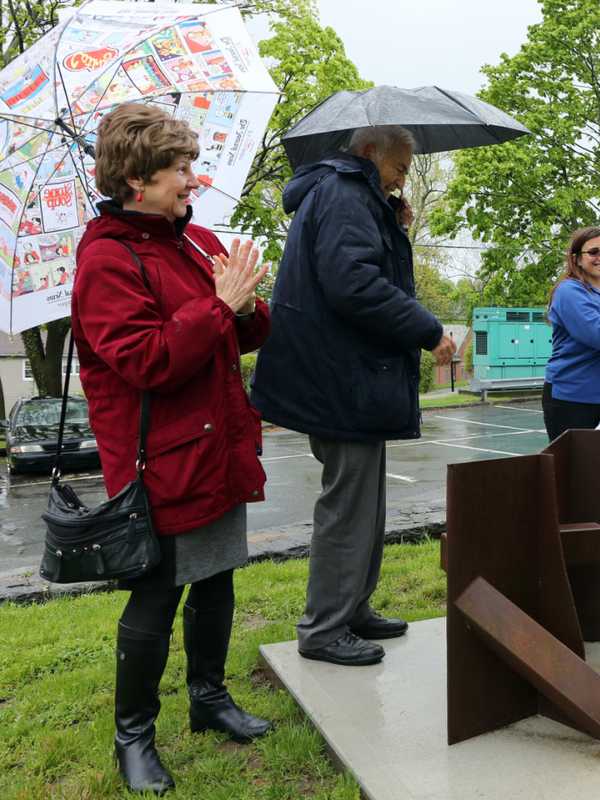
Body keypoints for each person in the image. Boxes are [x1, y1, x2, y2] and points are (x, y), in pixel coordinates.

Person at [71, 102, 272, 796]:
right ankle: (135, 736)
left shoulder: (194, 240)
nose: (193, 178)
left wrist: (245, 307)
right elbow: (147, 361)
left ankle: (209, 698)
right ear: (136, 180)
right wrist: (219, 305)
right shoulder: (106, 259)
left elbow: (238, 337)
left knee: (217, 578)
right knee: (155, 599)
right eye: (179, 168)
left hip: (218, 445)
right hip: (159, 461)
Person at [251, 126, 455, 667]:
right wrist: (429, 330)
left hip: (349, 376)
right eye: (400, 167)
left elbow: (355, 269)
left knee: (365, 505)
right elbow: (354, 284)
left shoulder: (349, 195)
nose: (402, 177)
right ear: (368, 153)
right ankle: (323, 629)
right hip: (342, 377)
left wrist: (391, 221)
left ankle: (351, 610)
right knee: (348, 507)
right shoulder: (344, 194)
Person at [543, 226, 600, 440]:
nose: (599, 257)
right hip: (572, 398)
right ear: (576, 259)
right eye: (593, 252)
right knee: (573, 470)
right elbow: (596, 334)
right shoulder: (569, 291)